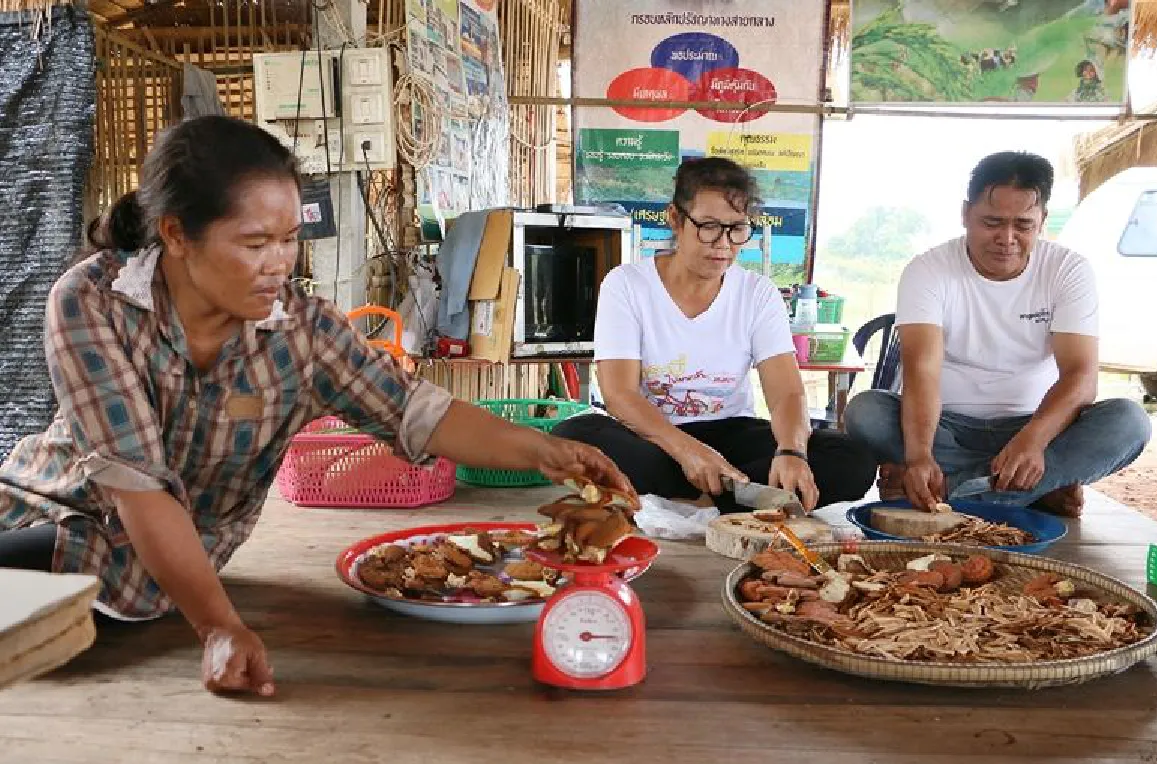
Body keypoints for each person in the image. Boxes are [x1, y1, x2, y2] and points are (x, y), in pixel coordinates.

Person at [0, 115, 635, 697]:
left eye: (289, 240)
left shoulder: (304, 333)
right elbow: (135, 486)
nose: (279, 265)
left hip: (159, 563)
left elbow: (420, 412)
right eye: (254, 245)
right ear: (176, 234)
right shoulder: (93, 301)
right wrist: (220, 627)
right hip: (50, 509)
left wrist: (551, 451)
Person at [552, 158, 876, 513]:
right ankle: (738, 498)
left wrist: (791, 452)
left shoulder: (758, 293)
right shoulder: (626, 285)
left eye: (737, 229)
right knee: (573, 435)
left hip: (732, 433)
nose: (723, 244)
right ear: (675, 219)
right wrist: (689, 451)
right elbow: (620, 395)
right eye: (708, 226)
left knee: (852, 458)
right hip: (654, 438)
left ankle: (696, 499)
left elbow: (786, 391)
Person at [844, 151, 1151, 517]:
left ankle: (950, 491)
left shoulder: (1068, 270)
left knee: (1129, 421)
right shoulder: (928, 270)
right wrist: (920, 455)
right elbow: (921, 371)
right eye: (991, 222)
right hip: (946, 428)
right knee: (865, 411)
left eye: (1023, 225)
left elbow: (1081, 377)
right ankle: (1031, 488)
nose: (1006, 238)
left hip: (1037, 424)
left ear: (1043, 221)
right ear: (965, 214)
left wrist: (1033, 440)